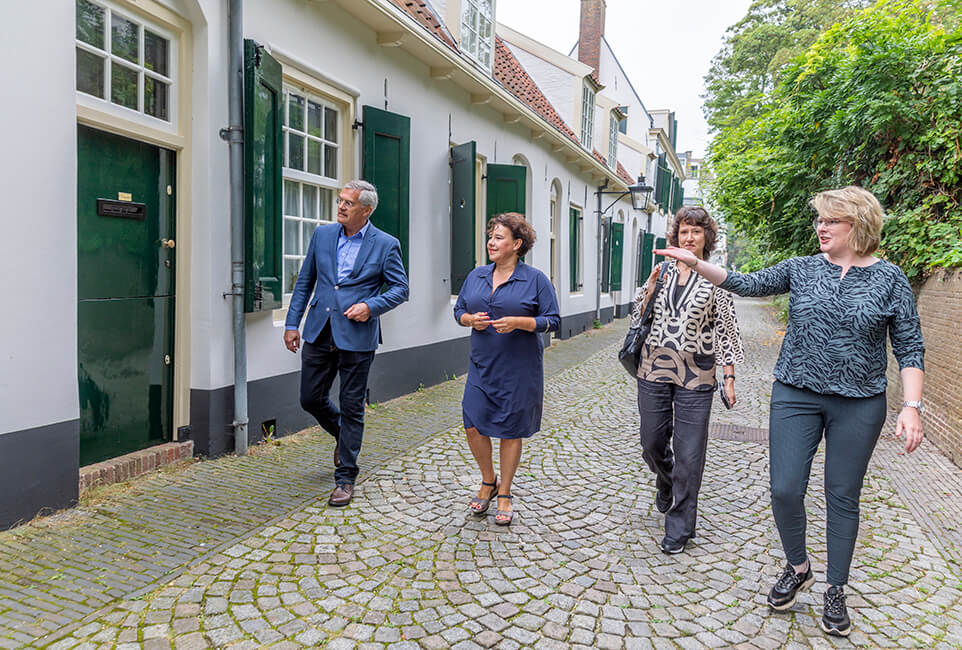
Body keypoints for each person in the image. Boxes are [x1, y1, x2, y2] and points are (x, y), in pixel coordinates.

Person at [655, 186, 925, 638]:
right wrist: (696, 263)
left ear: (857, 225)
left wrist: (911, 406)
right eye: (819, 219)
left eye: (830, 221)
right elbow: (749, 283)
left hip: (859, 402)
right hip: (796, 394)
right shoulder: (801, 269)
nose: (820, 227)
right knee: (783, 489)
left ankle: (836, 589)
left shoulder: (891, 280)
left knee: (842, 495)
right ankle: (798, 567)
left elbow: (910, 346)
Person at [284, 180, 409, 507]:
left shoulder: (386, 244)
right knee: (310, 398)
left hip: (357, 336)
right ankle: (344, 434)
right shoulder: (322, 235)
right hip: (319, 329)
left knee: (352, 405)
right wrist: (291, 323)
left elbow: (400, 288)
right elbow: (304, 283)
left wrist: (371, 306)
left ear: (366, 210)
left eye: (348, 203)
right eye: (340, 200)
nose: (340, 206)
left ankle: (346, 478)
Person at [635, 206, 743, 555]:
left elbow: (727, 329)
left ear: (706, 238)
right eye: (684, 231)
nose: (689, 237)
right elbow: (639, 313)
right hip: (654, 366)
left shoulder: (715, 276)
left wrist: (728, 376)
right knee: (651, 441)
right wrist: (649, 287)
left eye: (697, 231)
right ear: (676, 235)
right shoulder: (663, 271)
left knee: (690, 451)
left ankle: (680, 526)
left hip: (698, 371)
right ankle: (665, 480)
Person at [454, 213, 560, 525]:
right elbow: (459, 309)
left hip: (519, 367)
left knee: (511, 429)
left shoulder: (536, 279)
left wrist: (519, 323)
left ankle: (505, 493)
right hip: (481, 364)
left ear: (517, 244)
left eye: (499, 237)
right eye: (491, 236)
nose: (491, 242)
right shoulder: (476, 276)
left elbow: (553, 320)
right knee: (472, 423)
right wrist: (469, 320)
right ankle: (489, 479)